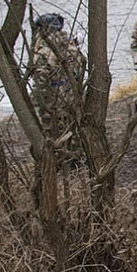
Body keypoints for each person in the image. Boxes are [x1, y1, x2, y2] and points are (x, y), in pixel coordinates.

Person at [30, 12, 87, 166]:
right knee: (72, 125)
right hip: (71, 93)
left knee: (52, 130)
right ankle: (75, 159)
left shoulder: (43, 52)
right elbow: (81, 66)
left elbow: (41, 81)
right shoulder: (70, 46)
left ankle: (58, 161)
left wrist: (38, 101)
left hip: (53, 98)